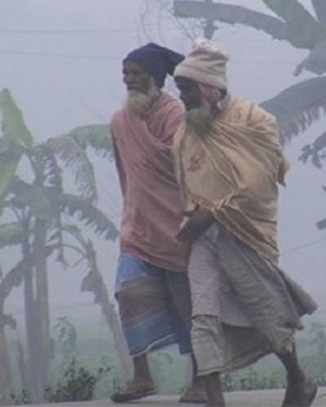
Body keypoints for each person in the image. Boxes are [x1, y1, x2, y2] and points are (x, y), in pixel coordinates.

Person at [171, 39, 319, 407]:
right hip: (203, 238)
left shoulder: (254, 119)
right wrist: (195, 219)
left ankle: (298, 379)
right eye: (179, 90)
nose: (182, 97)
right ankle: (215, 401)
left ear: (208, 86)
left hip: (245, 232)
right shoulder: (186, 131)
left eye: (187, 89)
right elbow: (187, 179)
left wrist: (213, 213)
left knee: (266, 312)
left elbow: (257, 181)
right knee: (203, 315)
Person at [108, 43, 205, 404]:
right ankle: (142, 378)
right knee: (129, 295)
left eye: (136, 73)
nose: (129, 80)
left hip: (177, 229)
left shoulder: (174, 114)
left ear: (154, 78)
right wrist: (133, 210)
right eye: (126, 73)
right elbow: (127, 174)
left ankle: (201, 380)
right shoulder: (119, 121)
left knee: (189, 306)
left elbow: (189, 169)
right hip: (137, 229)